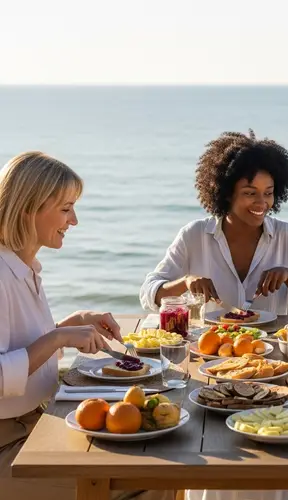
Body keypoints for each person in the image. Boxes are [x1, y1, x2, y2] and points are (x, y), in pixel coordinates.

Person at [0, 152, 171, 500]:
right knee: (154, 477)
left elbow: (21, 347)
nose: (73, 220)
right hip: (9, 445)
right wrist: (59, 336)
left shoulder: (24, 268)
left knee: (159, 461)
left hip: (36, 425)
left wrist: (70, 326)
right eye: (65, 208)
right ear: (28, 208)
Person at [140, 130, 288, 317]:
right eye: (250, 193)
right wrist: (186, 282)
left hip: (267, 347)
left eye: (268, 193)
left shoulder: (287, 236)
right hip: (209, 346)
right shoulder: (194, 235)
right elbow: (148, 294)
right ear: (227, 193)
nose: (262, 202)